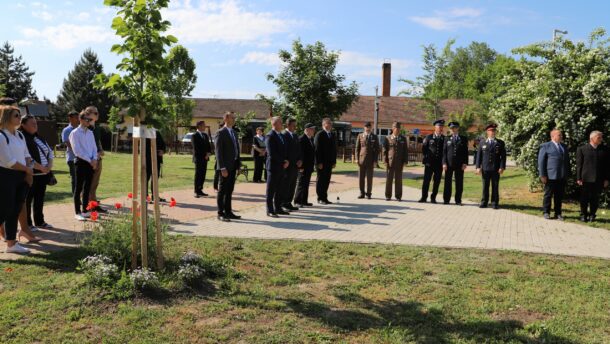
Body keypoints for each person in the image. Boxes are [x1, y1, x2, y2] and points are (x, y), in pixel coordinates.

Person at [0, 105, 33, 254]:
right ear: (6, 117)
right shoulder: (1, 136)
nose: (20, 118)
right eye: (16, 115)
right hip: (6, 176)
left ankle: (12, 244)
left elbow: (27, 155)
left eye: (19, 115)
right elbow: (9, 162)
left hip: (21, 176)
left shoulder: (19, 135)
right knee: (5, 209)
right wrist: (27, 170)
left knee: (15, 210)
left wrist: (29, 171)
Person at [19, 115, 54, 229]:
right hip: (31, 173)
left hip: (43, 174)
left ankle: (40, 221)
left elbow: (50, 152)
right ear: (23, 125)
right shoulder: (22, 138)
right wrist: (41, 167)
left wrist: (49, 165)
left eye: (36, 123)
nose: (35, 125)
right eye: (32, 124)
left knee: (40, 198)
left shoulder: (39, 137)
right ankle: (28, 224)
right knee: (28, 199)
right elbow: (27, 157)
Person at [69, 111, 98, 221]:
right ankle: (77, 212)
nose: (89, 122)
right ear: (80, 120)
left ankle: (85, 210)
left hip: (91, 162)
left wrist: (94, 159)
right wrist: (90, 160)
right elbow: (77, 151)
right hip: (81, 162)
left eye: (90, 120)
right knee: (78, 188)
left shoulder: (90, 133)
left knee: (87, 188)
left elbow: (94, 148)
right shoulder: (75, 133)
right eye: (87, 119)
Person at [576, 131, 609, 222]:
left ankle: (592, 215)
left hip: (599, 179)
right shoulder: (582, 149)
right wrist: (578, 178)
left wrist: (606, 179)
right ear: (592, 138)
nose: (601, 139)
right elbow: (579, 165)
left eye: (601, 137)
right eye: (599, 137)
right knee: (584, 198)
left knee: (595, 199)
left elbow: (607, 166)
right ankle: (583, 215)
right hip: (585, 178)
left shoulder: (604, 149)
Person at [538, 129, 570, 220]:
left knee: (559, 196)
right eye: (559, 135)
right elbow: (541, 162)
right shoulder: (545, 146)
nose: (561, 136)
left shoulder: (564, 146)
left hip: (561, 175)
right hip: (550, 175)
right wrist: (542, 175)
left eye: (561, 135)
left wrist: (567, 174)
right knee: (548, 195)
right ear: (553, 136)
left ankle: (558, 213)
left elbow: (567, 162)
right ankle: (546, 212)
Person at [214, 112, 241, 222]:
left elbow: (237, 150)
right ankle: (220, 213)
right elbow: (218, 152)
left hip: (233, 165)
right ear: (226, 118)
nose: (234, 119)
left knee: (230, 190)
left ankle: (228, 211)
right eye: (232, 117)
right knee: (222, 190)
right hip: (225, 167)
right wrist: (222, 167)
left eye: (235, 117)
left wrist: (238, 165)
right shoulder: (220, 133)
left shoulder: (234, 132)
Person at [476, 124, 507, 209]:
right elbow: (479, 156)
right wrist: (478, 167)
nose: (492, 132)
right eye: (490, 131)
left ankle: (494, 203)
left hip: (495, 169)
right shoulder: (482, 142)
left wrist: (502, 167)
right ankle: (484, 202)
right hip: (485, 169)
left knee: (495, 186)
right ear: (487, 132)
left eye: (494, 131)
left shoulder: (500, 143)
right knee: (485, 186)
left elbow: (503, 157)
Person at [265, 116, 289, 217]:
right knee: (271, 190)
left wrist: (286, 160)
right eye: (280, 122)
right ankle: (270, 210)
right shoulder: (270, 136)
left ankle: (278, 208)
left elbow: (284, 150)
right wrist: (283, 161)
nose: (282, 124)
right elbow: (272, 153)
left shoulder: (281, 135)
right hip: (273, 166)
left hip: (282, 166)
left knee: (280, 189)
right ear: (274, 124)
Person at [442, 121, 469, 205]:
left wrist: (465, 163)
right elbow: (444, 152)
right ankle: (446, 200)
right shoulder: (446, 138)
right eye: (452, 128)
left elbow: (465, 152)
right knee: (447, 182)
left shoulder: (463, 139)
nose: (453, 129)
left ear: (458, 128)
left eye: (455, 128)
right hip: (449, 164)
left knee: (459, 183)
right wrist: (444, 163)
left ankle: (458, 200)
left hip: (460, 164)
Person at [419, 120, 445, 203]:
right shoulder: (429, 137)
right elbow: (424, 149)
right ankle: (424, 197)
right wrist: (426, 159)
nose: (440, 128)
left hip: (439, 164)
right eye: (439, 126)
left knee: (436, 181)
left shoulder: (444, 138)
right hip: (429, 163)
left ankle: (433, 198)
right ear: (435, 127)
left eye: (441, 127)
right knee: (426, 181)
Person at [85, 106, 105, 212]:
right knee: (88, 183)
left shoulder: (96, 127)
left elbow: (98, 141)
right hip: (88, 159)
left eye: (98, 113)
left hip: (98, 158)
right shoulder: (85, 127)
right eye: (95, 113)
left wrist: (101, 150)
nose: (97, 115)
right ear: (88, 114)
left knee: (95, 183)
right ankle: (89, 205)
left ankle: (93, 203)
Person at [382, 122, 408, 201]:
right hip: (390, 162)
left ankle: (398, 196)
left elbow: (405, 151)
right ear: (393, 129)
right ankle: (388, 195)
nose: (398, 130)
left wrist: (405, 161)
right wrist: (385, 161)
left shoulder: (403, 139)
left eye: (399, 128)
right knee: (389, 180)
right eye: (396, 128)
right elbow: (384, 150)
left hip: (399, 162)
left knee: (399, 180)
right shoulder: (387, 138)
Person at [281, 118, 302, 212]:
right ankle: (283, 203)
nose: (295, 127)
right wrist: (285, 161)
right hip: (287, 165)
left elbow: (298, 149)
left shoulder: (295, 135)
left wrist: (300, 160)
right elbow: (283, 150)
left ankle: (289, 202)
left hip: (295, 165)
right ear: (288, 125)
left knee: (292, 184)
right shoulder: (283, 135)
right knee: (285, 185)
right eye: (293, 125)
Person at [314, 118, 337, 205]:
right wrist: (318, 162)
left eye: (331, 123)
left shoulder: (332, 134)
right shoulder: (320, 134)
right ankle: (320, 198)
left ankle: (325, 197)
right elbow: (317, 149)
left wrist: (334, 161)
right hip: (322, 163)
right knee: (321, 180)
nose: (330, 125)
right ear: (324, 125)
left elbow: (334, 149)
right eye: (328, 123)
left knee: (327, 180)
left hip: (329, 162)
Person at [294, 123, 316, 207]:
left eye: (313, 129)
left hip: (309, 165)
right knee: (301, 183)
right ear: (306, 130)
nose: (313, 130)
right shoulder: (301, 139)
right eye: (312, 129)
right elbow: (300, 154)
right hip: (303, 166)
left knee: (306, 183)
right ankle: (297, 201)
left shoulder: (310, 139)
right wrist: (301, 166)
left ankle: (304, 200)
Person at [355, 122, 379, 199]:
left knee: (369, 178)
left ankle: (368, 193)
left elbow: (377, 150)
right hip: (361, 160)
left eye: (369, 127)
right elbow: (357, 148)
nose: (368, 129)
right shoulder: (360, 135)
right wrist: (356, 158)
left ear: (371, 128)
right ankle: (362, 193)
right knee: (361, 178)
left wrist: (375, 161)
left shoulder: (374, 137)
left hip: (370, 161)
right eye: (366, 127)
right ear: (364, 128)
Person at [145, 128, 166, 202]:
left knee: (155, 178)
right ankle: (145, 197)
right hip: (147, 160)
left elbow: (163, 144)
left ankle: (155, 196)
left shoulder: (157, 132)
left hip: (157, 159)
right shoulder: (144, 133)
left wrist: (163, 151)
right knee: (146, 178)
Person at [192, 120, 212, 198]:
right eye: (204, 125)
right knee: (198, 175)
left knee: (203, 174)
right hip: (198, 158)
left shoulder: (205, 135)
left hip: (205, 158)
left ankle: (200, 190)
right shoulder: (194, 135)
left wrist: (208, 153)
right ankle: (196, 191)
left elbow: (208, 146)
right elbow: (196, 148)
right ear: (199, 126)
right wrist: (204, 155)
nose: (205, 126)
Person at [61, 110, 79, 195]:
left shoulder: (80, 129)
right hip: (72, 158)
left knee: (81, 178)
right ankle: (76, 197)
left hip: (82, 157)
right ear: (70, 118)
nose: (78, 119)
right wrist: (78, 152)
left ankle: (80, 196)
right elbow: (68, 143)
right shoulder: (66, 130)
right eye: (76, 117)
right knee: (75, 178)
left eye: (78, 117)